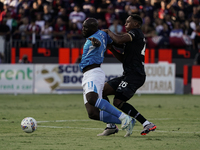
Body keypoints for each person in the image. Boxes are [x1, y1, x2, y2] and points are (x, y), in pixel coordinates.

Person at [101, 14, 157, 135]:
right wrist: (112, 48)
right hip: (128, 75)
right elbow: (123, 58)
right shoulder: (132, 39)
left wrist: (108, 31)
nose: (125, 24)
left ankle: (147, 123)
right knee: (102, 90)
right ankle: (111, 125)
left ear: (136, 24)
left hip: (135, 75)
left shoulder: (136, 32)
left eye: (128, 22)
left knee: (118, 102)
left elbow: (119, 39)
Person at [79, 17, 135, 137]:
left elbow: (97, 42)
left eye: (86, 27)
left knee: (92, 99)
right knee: (92, 113)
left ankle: (124, 117)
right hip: (89, 74)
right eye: (83, 26)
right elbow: (115, 42)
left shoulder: (96, 36)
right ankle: (123, 122)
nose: (83, 29)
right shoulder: (103, 34)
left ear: (94, 28)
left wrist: (97, 43)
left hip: (93, 73)